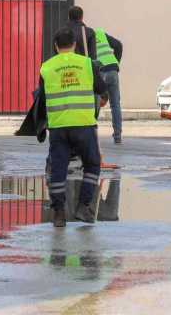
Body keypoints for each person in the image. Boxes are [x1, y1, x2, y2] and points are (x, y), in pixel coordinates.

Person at [39, 28, 108, 227]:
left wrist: (41, 126)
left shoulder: (46, 67)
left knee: (58, 169)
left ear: (55, 46)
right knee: (92, 163)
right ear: (75, 45)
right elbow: (102, 90)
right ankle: (83, 207)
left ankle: (59, 213)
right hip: (83, 124)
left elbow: (41, 99)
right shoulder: (87, 64)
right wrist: (103, 98)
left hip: (59, 126)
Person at [94, 28, 124, 144]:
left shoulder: (86, 37)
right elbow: (118, 45)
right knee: (115, 104)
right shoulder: (100, 33)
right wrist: (116, 62)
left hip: (99, 70)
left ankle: (92, 134)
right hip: (112, 69)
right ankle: (117, 136)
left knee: (95, 102)